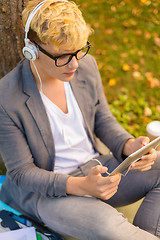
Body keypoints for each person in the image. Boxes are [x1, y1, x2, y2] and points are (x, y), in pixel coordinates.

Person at [0, 0, 159, 239]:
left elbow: (102, 119)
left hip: (97, 167)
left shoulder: (86, 66)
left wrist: (129, 147)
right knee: (110, 228)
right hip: (49, 194)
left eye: (79, 51)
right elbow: (22, 173)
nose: (75, 63)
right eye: (62, 56)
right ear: (31, 48)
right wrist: (82, 186)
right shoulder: (6, 97)